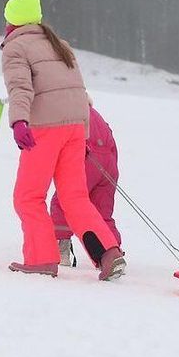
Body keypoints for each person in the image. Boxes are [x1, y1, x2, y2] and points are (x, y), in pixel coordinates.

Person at [1, 0, 125, 280]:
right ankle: (108, 253)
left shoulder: (16, 47)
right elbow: (77, 89)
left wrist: (19, 121)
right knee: (75, 198)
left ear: (12, 22)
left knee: (28, 197)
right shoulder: (59, 44)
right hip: (75, 128)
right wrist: (80, 132)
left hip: (45, 128)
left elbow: (20, 87)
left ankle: (41, 258)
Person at [50, 104, 121, 267]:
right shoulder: (96, 115)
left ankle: (62, 248)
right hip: (109, 166)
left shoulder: (69, 109)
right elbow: (111, 144)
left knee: (62, 202)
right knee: (102, 212)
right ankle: (113, 253)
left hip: (87, 159)